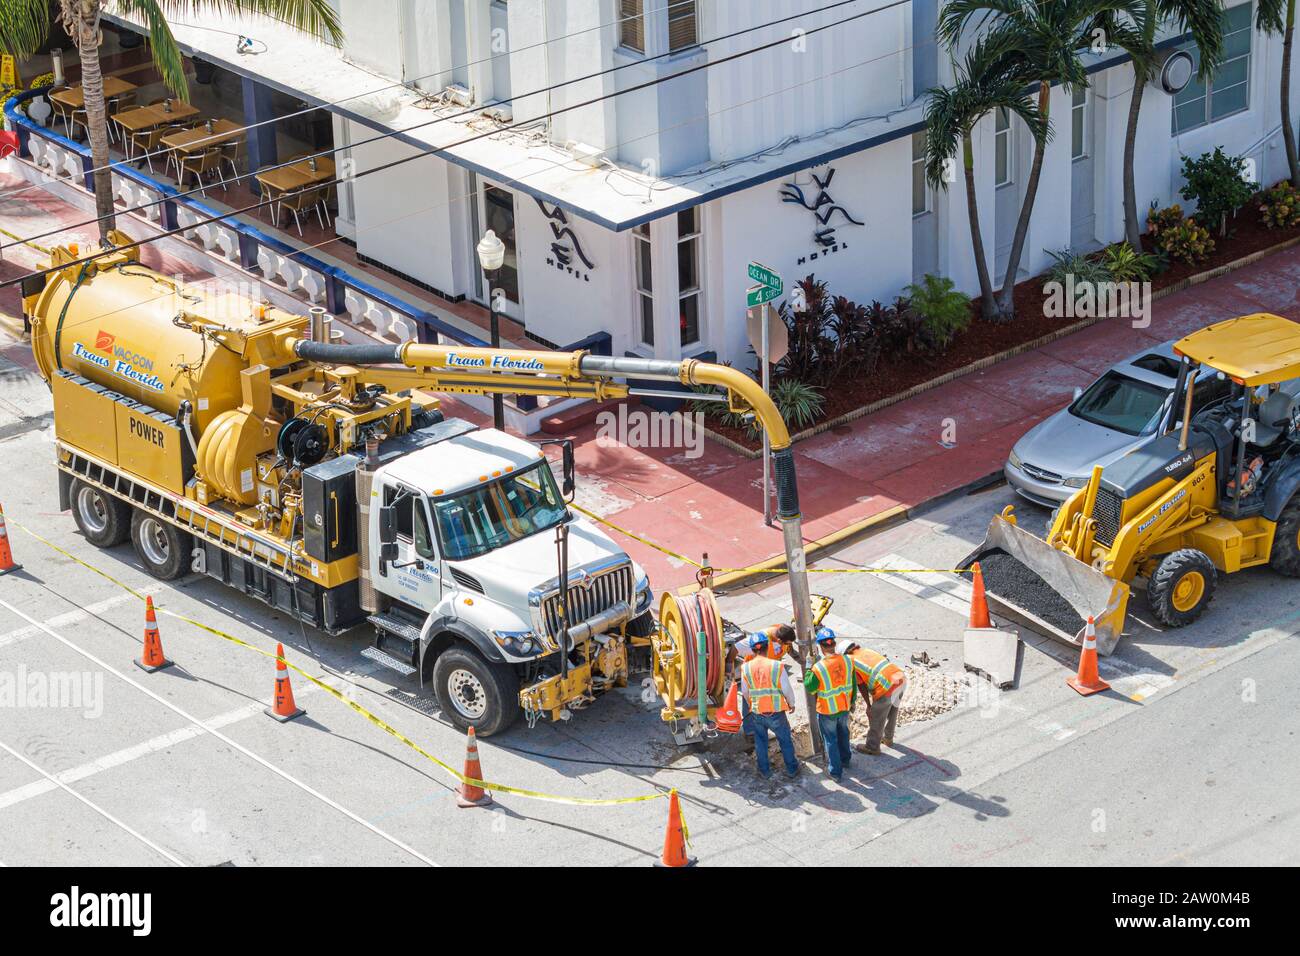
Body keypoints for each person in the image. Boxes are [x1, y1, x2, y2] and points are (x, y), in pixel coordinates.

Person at [739, 633, 799, 779]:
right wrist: (791, 704)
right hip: (776, 712)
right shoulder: (777, 666)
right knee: (785, 740)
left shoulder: (745, 668)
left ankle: (764, 770)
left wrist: (751, 705)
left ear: (753, 650)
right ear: (767, 647)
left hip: (758, 712)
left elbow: (745, 692)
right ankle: (791, 769)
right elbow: (786, 689)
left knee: (760, 741)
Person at [802, 626, 855, 781]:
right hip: (844, 707)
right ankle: (846, 760)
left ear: (820, 646)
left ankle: (835, 772)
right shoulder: (848, 660)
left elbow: (810, 687)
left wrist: (808, 666)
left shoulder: (818, 667)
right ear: (833, 644)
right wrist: (852, 702)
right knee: (844, 734)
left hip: (827, 710)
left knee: (830, 740)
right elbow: (853, 684)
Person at [846, 642, 907, 755]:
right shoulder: (867, 651)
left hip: (886, 686)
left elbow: (861, 685)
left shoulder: (850, 661)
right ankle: (888, 738)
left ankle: (872, 747)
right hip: (900, 678)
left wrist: (869, 706)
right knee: (893, 710)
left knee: (876, 716)